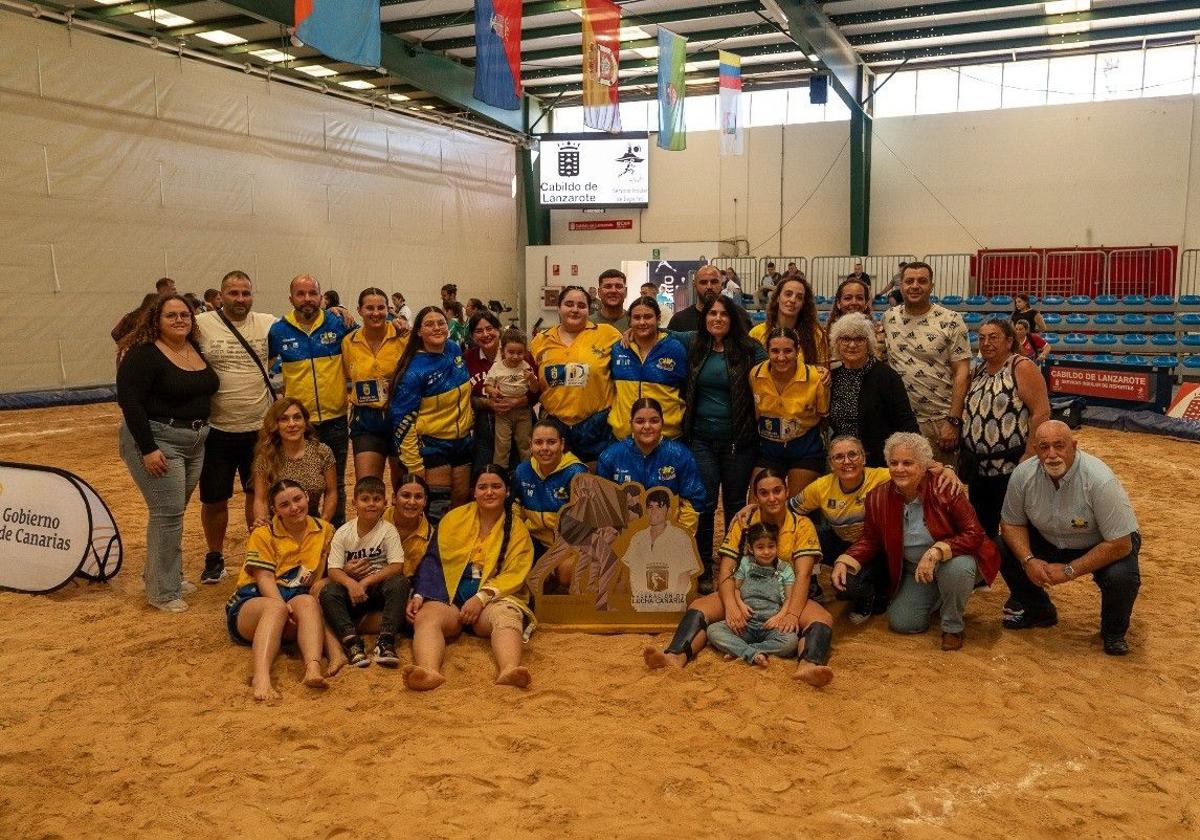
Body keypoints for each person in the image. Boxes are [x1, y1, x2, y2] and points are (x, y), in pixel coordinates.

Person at [645, 468, 834, 686]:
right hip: (745, 593)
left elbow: (803, 574)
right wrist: (732, 604)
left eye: (777, 491)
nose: (772, 498)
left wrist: (791, 614)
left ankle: (808, 665)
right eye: (764, 493)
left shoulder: (802, 525)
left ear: (787, 491)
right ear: (755, 496)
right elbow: (727, 570)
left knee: (822, 619)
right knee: (699, 606)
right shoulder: (743, 522)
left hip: (786, 594)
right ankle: (675, 656)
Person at [831, 432, 999, 651]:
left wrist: (936, 552)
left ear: (923, 466)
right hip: (914, 569)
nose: (899, 469)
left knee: (957, 569)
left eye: (908, 463)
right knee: (902, 623)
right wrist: (845, 560)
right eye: (894, 463)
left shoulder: (945, 487)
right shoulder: (878, 497)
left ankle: (952, 626)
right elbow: (871, 539)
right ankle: (945, 592)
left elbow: (974, 533)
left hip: (953, 559)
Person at [784, 436, 964, 624]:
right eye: (838, 457)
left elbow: (921, 466)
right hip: (841, 541)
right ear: (830, 463)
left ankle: (869, 596)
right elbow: (789, 510)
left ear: (864, 458)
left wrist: (948, 469)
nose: (846, 461)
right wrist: (755, 511)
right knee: (806, 532)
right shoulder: (820, 487)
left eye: (853, 454)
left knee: (850, 585)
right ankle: (812, 584)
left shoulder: (884, 475)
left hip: (877, 547)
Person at [998, 421, 1141, 656]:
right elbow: (1011, 523)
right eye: (1044, 447)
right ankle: (1039, 612)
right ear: (1035, 449)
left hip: (1103, 542)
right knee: (1001, 547)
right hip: (1050, 538)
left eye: (1059, 446)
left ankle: (1113, 633)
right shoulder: (1022, 475)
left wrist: (1069, 570)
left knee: (1121, 577)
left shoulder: (1099, 479)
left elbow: (1121, 543)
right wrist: (1028, 560)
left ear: (1074, 446)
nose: (1052, 455)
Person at [116, 294, 219, 612]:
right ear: (155, 320)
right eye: (171, 315)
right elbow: (130, 402)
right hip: (159, 441)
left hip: (195, 441)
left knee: (171, 512)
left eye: (184, 315)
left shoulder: (195, 349)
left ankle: (162, 576)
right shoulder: (143, 355)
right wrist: (148, 448)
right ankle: (162, 591)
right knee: (168, 514)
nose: (179, 320)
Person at [404, 466, 537, 691]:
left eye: (496, 487)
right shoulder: (453, 518)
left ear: (506, 492)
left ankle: (509, 669)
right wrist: (420, 594)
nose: (489, 492)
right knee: (426, 617)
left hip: (491, 603)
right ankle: (429, 671)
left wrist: (481, 598)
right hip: (451, 599)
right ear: (474, 491)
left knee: (507, 617)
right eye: (482, 487)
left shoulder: (517, 529)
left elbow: (515, 573)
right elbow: (433, 559)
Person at [676, 295, 766, 590]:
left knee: (736, 504)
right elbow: (659, 332)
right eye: (712, 313)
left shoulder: (750, 349)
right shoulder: (695, 346)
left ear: (733, 319)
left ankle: (734, 563)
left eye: (723, 314)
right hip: (701, 438)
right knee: (704, 504)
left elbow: (781, 365)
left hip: (738, 440)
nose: (716, 318)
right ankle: (702, 566)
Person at [195, 270, 278, 585]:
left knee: (257, 493)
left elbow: (303, 322)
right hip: (217, 429)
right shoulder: (201, 324)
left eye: (246, 293)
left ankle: (254, 554)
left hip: (260, 429)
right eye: (234, 293)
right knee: (214, 499)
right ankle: (214, 555)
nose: (240, 299)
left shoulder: (267, 323)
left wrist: (335, 311)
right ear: (220, 295)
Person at [225, 479, 334, 701]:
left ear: (307, 496)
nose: (294, 508)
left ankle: (312, 668)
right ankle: (261, 678)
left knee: (308, 602)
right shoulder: (263, 533)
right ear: (275, 510)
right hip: (254, 600)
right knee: (276, 609)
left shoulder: (325, 530)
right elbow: (263, 577)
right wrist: (283, 606)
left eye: (297, 499)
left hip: (296, 596)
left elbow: (331, 569)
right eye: (284, 505)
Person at [268, 274, 352, 525]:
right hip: (298, 425)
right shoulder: (278, 331)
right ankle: (301, 536)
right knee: (298, 484)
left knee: (335, 483)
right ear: (291, 298)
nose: (307, 299)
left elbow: (368, 335)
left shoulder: (338, 323)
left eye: (312, 293)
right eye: (301, 294)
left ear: (321, 296)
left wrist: (400, 324)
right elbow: (268, 367)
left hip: (336, 419)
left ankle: (333, 538)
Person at [962, 318, 1051, 537]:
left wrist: (1030, 454)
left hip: (1011, 465)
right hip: (978, 467)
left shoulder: (1021, 366)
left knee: (1015, 524)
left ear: (1009, 340)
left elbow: (1041, 412)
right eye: (981, 338)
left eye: (993, 337)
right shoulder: (979, 370)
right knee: (982, 526)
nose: (986, 343)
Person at [389, 306, 475, 521]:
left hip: (463, 442)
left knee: (460, 503)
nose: (437, 328)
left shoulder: (455, 349)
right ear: (418, 331)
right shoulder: (414, 371)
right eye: (429, 324)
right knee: (438, 509)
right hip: (433, 445)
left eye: (441, 323)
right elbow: (402, 421)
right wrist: (414, 465)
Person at [881, 262, 971, 468]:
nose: (915, 286)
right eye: (909, 281)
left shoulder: (951, 320)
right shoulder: (889, 317)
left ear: (931, 286)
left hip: (939, 421)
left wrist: (953, 420)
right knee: (903, 487)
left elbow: (962, 372)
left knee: (940, 490)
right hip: (899, 422)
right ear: (900, 286)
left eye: (922, 281)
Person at [319, 476, 409, 669]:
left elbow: (396, 565)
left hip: (376, 590)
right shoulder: (343, 532)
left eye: (377, 499)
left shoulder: (388, 530)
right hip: (351, 593)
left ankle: (386, 641)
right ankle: (352, 643)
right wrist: (351, 584)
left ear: (385, 503)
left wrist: (366, 582)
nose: (371, 504)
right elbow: (333, 569)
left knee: (400, 583)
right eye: (365, 499)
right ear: (354, 503)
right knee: (328, 592)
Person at [530, 286, 621, 466]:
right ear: (559, 308)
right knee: (557, 482)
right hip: (555, 424)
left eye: (581, 305)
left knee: (593, 486)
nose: (575, 309)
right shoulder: (541, 340)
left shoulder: (608, 334)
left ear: (589, 309)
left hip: (595, 424)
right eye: (569, 304)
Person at [597, 398, 706, 531]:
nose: (647, 426)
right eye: (640, 421)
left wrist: (679, 537)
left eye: (654, 421)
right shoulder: (610, 457)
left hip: (669, 535)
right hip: (624, 537)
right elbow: (602, 505)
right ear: (631, 424)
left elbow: (693, 502)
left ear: (662, 423)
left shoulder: (680, 455)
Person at [827, 313, 918, 467]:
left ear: (868, 343)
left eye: (859, 339)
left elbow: (907, 423)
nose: (852, 345)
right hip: (844, 462)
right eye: (846, 339)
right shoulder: (832, 378)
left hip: (879, 463)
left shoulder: (887, 377)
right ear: (837, 343)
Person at [704, 523, 800, 668]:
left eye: (771, 546)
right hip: (745, 624)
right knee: (714, 630)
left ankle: (744, 651)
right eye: (760, 547)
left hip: (770, 625)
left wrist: (779, 617)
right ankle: (751, 652)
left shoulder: (785, 569)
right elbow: (735, 589)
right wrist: (740, 606)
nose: (766, 552)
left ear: (776, 546)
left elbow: (789, 599)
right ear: (751, 548)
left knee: (791, 641)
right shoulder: (745, 563)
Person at [749, 327, 829, 496]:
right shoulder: (755, 374)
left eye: (788, 351)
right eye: (775, 351)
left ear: (797, 351)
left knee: (796, 505)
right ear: (767, 351)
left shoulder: (815, 377)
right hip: (769, 449)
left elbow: (823, 415)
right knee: (758, 505)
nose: (781, 357)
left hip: (805, 449)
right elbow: (756, 413)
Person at [342, 287, 407, 489]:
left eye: (380, 307)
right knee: (368, 487)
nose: (376, 313)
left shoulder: (403, 337)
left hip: (401, 417)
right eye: (369, 308)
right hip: (366, 420)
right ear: (359, 310)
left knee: (404, 487)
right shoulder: (348, 342)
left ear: (388, 309)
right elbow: (346, 379)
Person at [609, 296, 688, 441]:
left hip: (666, 437)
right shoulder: (618, 349)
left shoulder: (674, 348)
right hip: (623, 437)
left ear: (658, 319)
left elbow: (687, 388)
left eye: (648, 317)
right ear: (630, 321)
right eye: (636, 317)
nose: (642, 322)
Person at [251, 398, 338, 525]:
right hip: (278, 526)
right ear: (276, 425)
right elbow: (260, 499)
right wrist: (262, 522)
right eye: (284, 419)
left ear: (305, 422)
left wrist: (322, 524)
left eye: (297, 417)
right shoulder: (265, 457)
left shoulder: (322, 452)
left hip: (313, 523)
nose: (292, 424)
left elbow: (331, 492)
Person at [513, 417, 590, 551]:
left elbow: (583, 523)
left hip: (567, 544)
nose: (544, 448)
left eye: (551, 442)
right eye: (538, 442)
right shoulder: (523, 470)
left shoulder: (576, 473)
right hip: (532, 541)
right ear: (530, 445)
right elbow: (516, 508)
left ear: (562, 444)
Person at [622, 488, 701, 613]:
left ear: (669, 511)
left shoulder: (680, 537)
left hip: (672, 604)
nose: (653, 511)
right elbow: (633, 572)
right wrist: (640, 601)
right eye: (650, 507)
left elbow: (684, 574)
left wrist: (675, 603)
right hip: (643, 604)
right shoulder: (638, 538)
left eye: (659, 507)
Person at [483, 328, 539, 469]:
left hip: (523, 412)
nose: (515, 356)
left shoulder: (526, 367)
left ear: (525, 352)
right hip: (503, 413)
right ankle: (500, 473)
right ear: (503, 351)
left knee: (525, 443)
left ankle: (528, 472)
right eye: (511, 352)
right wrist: (493, 391)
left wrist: (532, 379)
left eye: (520, 353)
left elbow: (534, 390)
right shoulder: (497, 367)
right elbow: (487, 386)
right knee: (502, 445)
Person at [749, 275, 827, 367]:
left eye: (799, 297)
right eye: (788, 294)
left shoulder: (816, 334)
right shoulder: (756, 333)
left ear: (803, 304)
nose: (793, 300)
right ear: (778, 298)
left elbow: (822, 373)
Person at [666, 264, 751, 332]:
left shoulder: (740, 315)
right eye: (703, 282)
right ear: (694, 285)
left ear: (722, 284)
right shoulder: (679, 321)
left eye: (714, 282)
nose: (709, 286)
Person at [384, 473, 434, 578]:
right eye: (406, 495)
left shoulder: (431, 537)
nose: (412, 502)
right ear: (394, 498)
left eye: (418, 497)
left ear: (425, 501)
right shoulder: (375, 520)